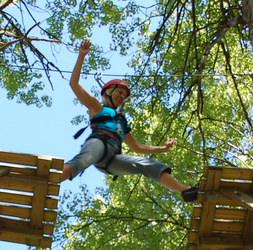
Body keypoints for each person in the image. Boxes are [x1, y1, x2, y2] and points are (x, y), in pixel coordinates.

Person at [62, 40, 199, 202]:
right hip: (98, 143)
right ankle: (52, 177)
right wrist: (81, 56)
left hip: (112, 159)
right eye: (119, 92)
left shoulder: (121, 123)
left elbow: (137, 147)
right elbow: (74, 84)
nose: (122, 97)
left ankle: (187, 191)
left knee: (147, 164)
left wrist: (163, 149)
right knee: (84, 160)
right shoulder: (97, 107)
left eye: (124, 96)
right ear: (109, 92)